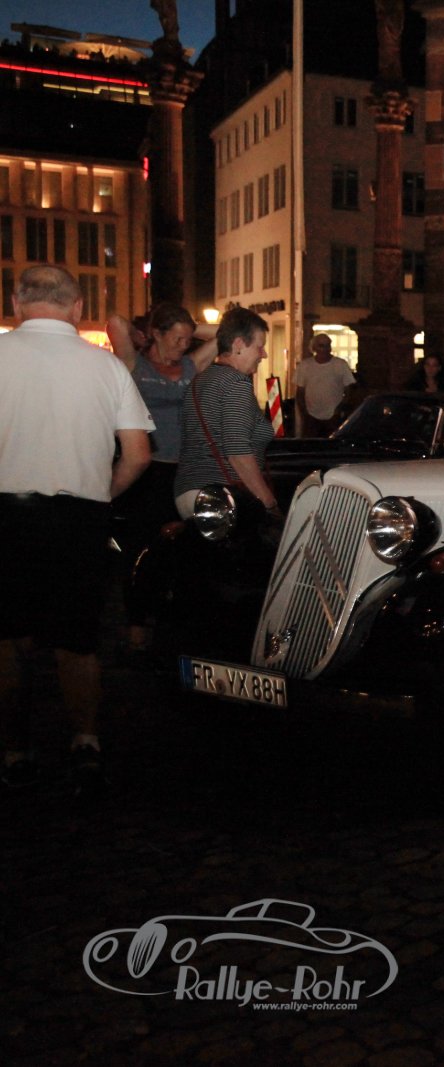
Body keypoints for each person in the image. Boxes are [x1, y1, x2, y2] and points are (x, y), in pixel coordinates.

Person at [0, 266, 154, 796]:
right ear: (77, 307)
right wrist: (102, 492)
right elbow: (138, 454)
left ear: (17, 303)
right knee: (79, 640)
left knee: (8, 638)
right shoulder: (106, 367)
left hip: (6, 515)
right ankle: (85, 741)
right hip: (79, 516)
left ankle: (14, 749)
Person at [107, 303, 217, 654]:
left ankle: (174, 621)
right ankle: (137, 620)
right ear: (156, 334)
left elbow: (225, 332)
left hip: (184, 469)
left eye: (188, 339)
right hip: (147, 469)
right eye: (176, 338)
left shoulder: (190, 365)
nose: (183, 345)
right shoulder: (135, 365)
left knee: (184, 546)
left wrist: (190, 327)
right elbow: (115, 322)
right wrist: (142, 332)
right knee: (142, 547)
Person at [174, 308, 277, 519]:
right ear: (238, 345)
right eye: (259, 347)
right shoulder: (236, 383)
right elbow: (238, 452)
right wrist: (268, 501)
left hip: (190, 491)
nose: (264, 354)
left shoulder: (201, 380)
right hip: (220, 497)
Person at [295, 334, 355, 437]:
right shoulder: (305, 366)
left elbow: (349, 389)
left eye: (327, 345)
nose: (325, 349)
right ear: (314, 348)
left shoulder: (340, 364)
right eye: (321, 346)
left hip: (333, 417)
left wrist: (340, 409)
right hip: (311, 417)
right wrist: (305, 413)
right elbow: (300, 392)